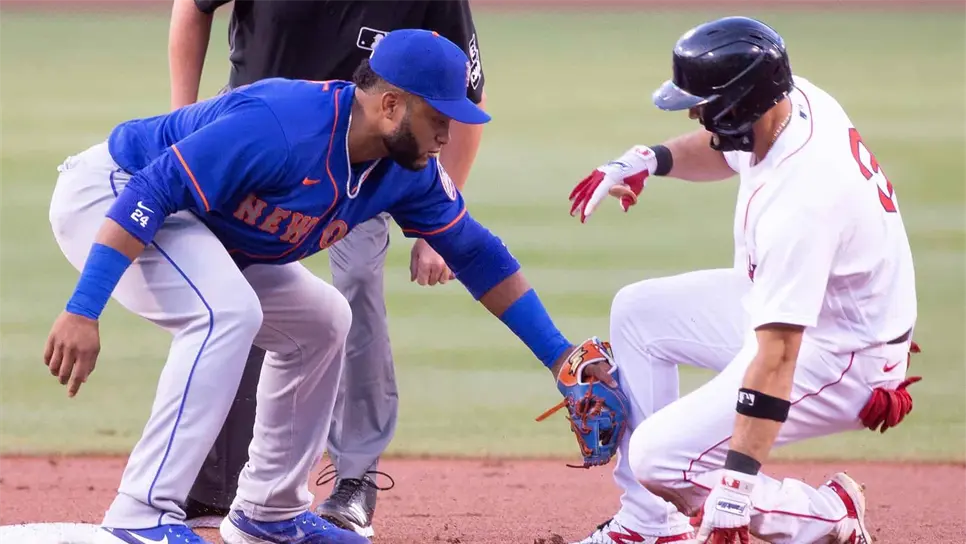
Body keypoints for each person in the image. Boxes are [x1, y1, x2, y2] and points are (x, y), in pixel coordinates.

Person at [45, 29, 615, 544]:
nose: (448, 132)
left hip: (191, 222)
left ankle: (268, 512)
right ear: (391, 104)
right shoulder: (282, 123)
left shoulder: (404, 168)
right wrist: (83, 309)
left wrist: (559, 356)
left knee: (322, 321)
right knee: (227, 311)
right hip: (112, 196)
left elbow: (476, 254)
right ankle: (141, 514)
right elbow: (152, 188)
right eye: (438, 116)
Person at [566, 16, 920, 544]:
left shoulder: (801, 199)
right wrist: (650, 159)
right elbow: (720, 149)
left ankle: (827, 514)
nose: (693, 111)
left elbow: (778, 356)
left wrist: (734, 492)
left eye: (703, 102)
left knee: (659, 458)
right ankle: (649, 526)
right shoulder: (786, 101)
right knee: (639, 312)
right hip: (812, 313)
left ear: (738, 105)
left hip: (841, 356)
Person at [167, 0, 487, 536]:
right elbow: (190, 9)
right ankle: (214, 479)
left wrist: (440, 226)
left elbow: (467, 93)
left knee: (355, 287)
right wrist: (182, 119)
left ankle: (354, 478)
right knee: (232, 293)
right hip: (254, 147)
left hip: (361, 160)